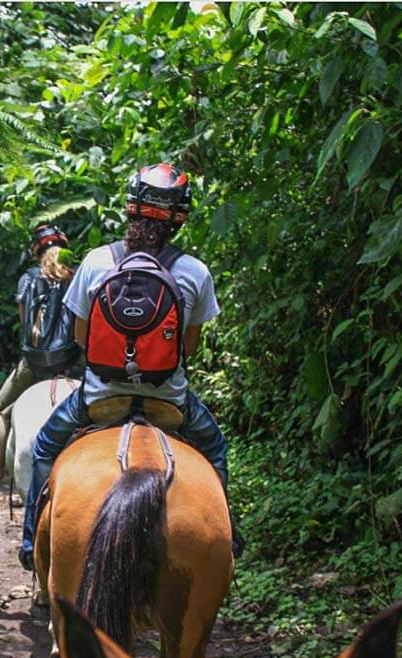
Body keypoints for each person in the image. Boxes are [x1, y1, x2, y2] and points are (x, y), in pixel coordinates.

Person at [18, 163, 244, 571]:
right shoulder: (194, 272)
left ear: (131, 208)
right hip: (169, 400)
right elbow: (188, 349)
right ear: (178, 218)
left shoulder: (96, 262)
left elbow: (82, 337)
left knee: (45, 447)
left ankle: (32, 537)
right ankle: (230, 536)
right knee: (215, 449)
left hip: (100, 397)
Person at [0, 225, 79, 501]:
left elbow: (25, 324)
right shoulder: (77, 276)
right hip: (73, 363)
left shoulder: (28, 279)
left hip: (35, 365)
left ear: (36, 251)